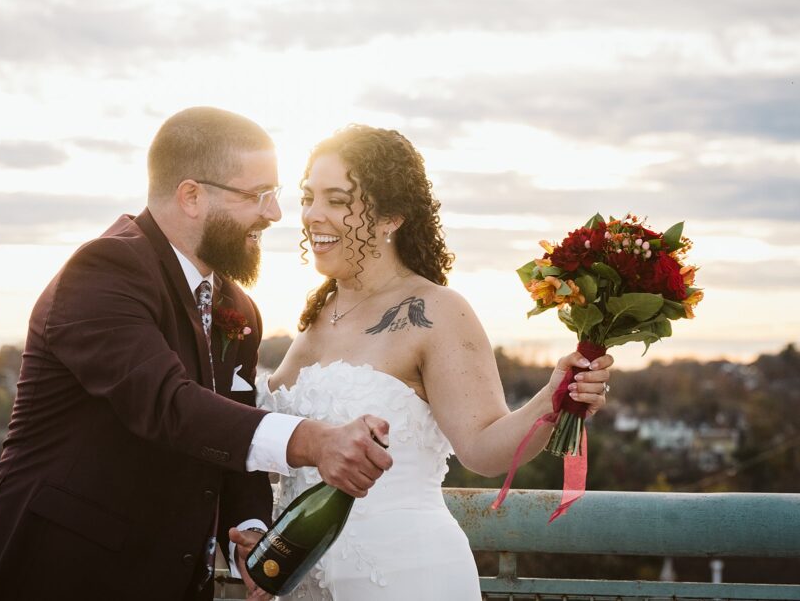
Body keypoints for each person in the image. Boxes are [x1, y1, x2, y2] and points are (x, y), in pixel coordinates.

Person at [0, 108, 393, 601]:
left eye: (276, 195)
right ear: (191, 196)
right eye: (257, 195)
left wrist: (248, 527)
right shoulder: (104, 269)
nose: (274, 214)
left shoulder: (237, 306)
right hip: (59, 572)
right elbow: (167, 404)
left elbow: (232, 428)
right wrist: (314, 441)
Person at [259, 125, 614, 600]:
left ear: (391, 218)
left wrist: (552, 400)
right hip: (302, 581)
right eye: (308, 197)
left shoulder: (438, 311)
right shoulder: (319, 314)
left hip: (407, 577)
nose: (312, 215)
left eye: (338, 200)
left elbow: (483, 449)